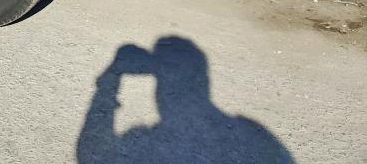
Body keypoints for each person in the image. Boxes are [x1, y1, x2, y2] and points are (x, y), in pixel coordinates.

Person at [77, 36, 293, 163]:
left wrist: (109, 83)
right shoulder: (251, 133)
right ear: (204, 78)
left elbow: (89, 155)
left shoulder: (144, 137)